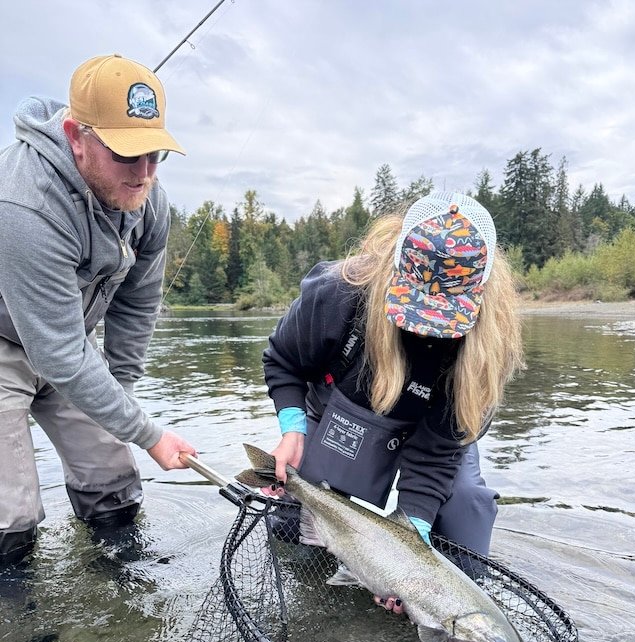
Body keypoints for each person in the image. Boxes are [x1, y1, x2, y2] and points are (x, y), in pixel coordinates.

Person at [262, 192, 525, 611]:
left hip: (430, 439)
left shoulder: (487, 350)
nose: (427, 332)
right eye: (417, 310)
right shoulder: (337, 295)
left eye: (444, 319)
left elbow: (435, 457)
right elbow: (283, 360)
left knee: (465, 513)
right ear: (395, 270)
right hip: (343, 417)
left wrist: (412, 539)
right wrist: (293, 429)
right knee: (296, 527)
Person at [0, 54, 198, 569]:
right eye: (126, 155)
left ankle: (120, 595)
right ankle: (20, 637)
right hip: (6, 343)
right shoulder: (24, 205)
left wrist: (122, 397)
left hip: (68, 341)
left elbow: (136, 304)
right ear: (75, 135)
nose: (144, 173)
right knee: (10, 513)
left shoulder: (149, 199)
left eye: (155, 153)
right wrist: (151, 434)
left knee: (112, 480)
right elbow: (58, 353)